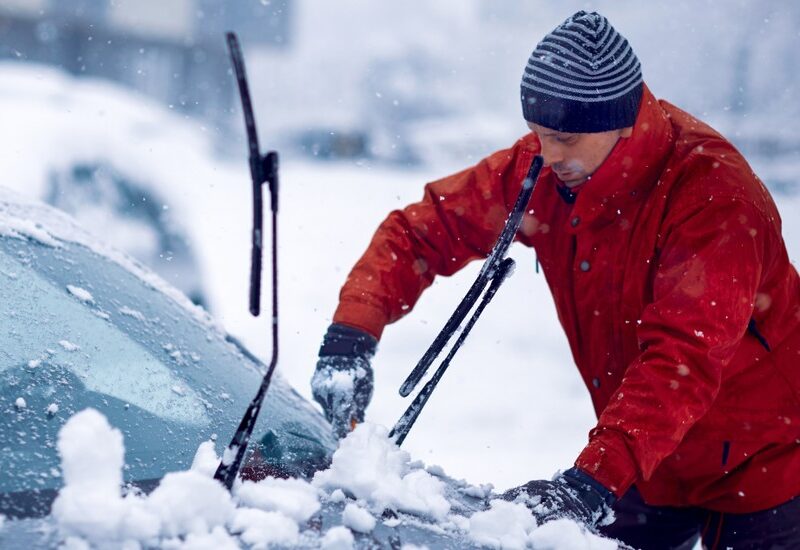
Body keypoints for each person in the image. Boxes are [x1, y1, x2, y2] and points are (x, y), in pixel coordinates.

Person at [311, 11, 800, 548]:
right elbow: (421, 232)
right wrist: (351, 334)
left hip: (763, 463)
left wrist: (591, 483)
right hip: (644, 461)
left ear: (620, 120)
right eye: (538, 134)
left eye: (564, 137)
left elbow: (681, 360)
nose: (547, 154)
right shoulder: (544, 169)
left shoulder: (713, 198)